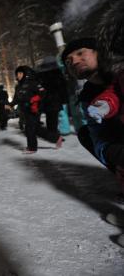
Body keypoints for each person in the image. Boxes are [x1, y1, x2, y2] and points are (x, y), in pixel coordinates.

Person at [62, 35, 124, 246]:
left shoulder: (120, 72)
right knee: (85, 133)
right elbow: (98, 137)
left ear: (98, 52)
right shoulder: (88, 96)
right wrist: (112, 154)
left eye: (81, 53)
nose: (75, 61)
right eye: (69, 61)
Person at [7, 66, 63, 154]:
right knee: (36, 128)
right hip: (25, 110)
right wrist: (10, 105)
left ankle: (32, 148)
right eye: (17, 73)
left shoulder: (33, 83)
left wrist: (34, 99)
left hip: (34, 108)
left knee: (29, 128)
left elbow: (43, 92)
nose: (19, 75)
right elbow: (17, 99)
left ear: (25, 74)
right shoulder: (18, 86)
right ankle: (56, 138)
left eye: (21, 73)